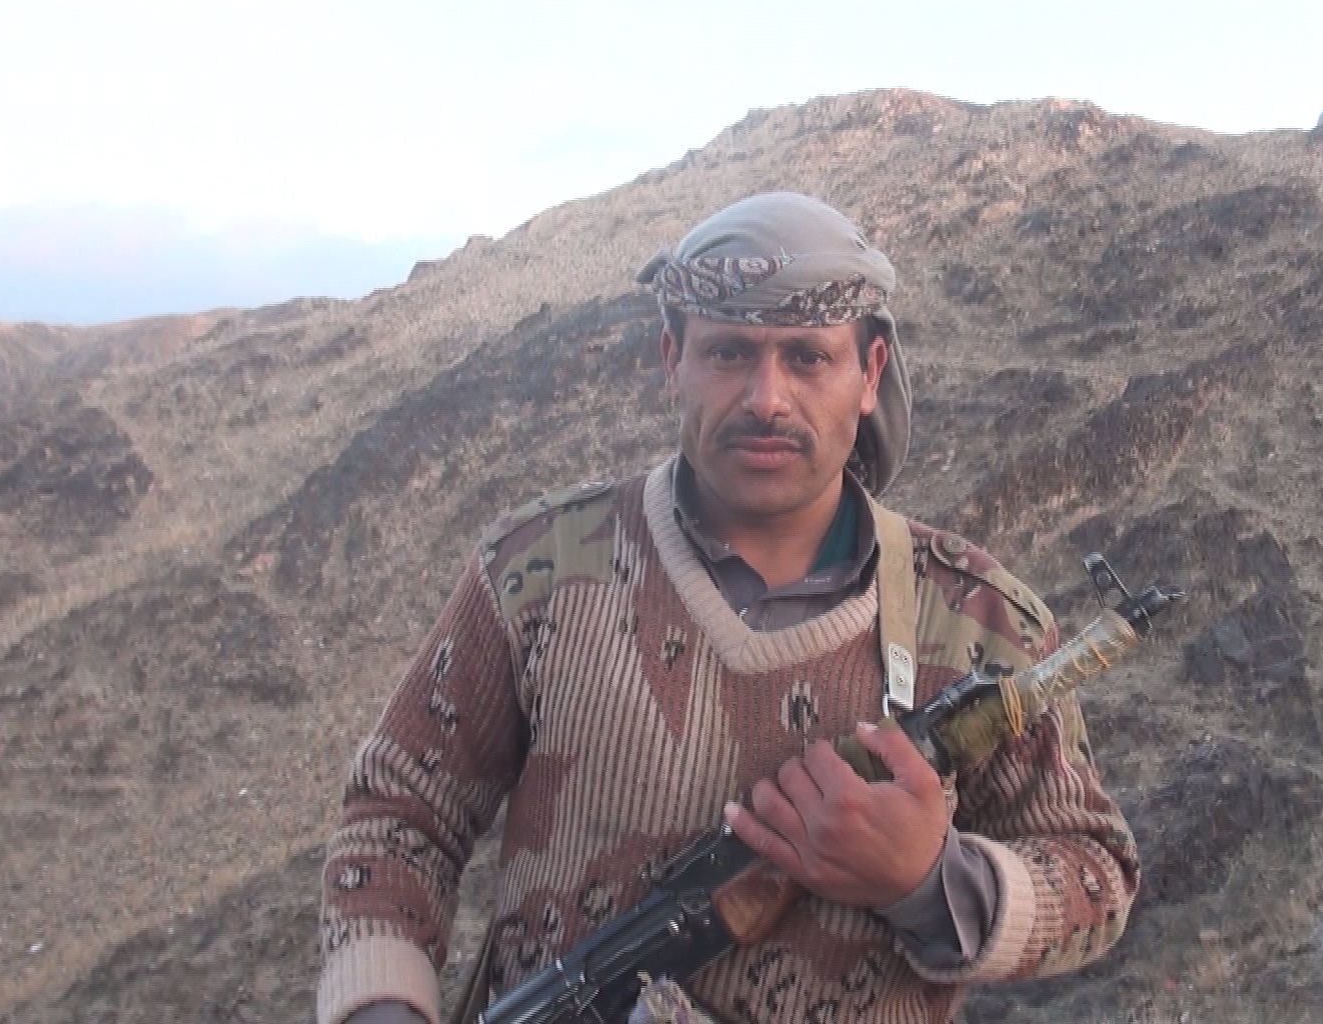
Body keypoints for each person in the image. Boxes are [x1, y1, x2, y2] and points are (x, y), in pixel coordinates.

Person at [317, 192, 1139, 1024]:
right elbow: (398, 812)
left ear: (870, 374)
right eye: (728, 353)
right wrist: (383, 1006)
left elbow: (1098, 874)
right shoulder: (543, 570)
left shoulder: (977, 622)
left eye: (808, 358)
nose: (766, 398)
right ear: (672, 359)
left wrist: (930, 881)